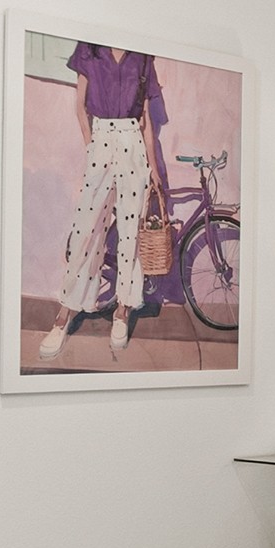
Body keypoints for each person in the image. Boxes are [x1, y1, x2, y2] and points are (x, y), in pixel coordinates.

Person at [39, 40, 169, 361]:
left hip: (132, 143)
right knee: (86, 230)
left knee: (129, 233)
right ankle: (65, 312)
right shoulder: (90, 49)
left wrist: (152, 165)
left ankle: (122, 309)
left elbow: (146, 120)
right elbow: (79, 105)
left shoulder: (141, 55)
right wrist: (92, 148)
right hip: (102, 140)